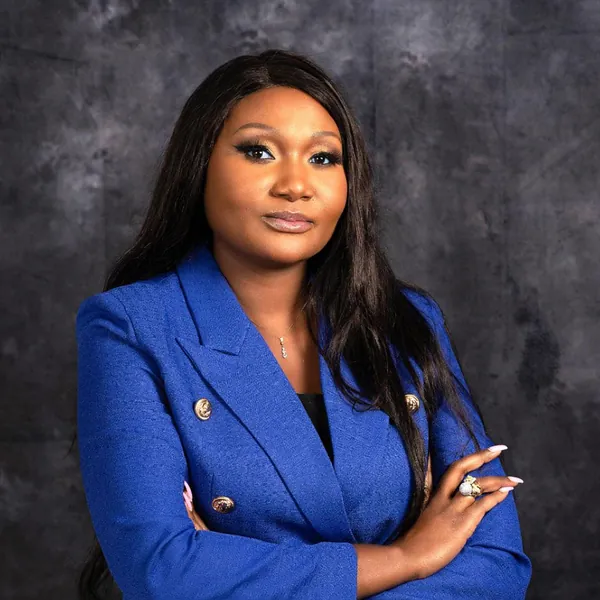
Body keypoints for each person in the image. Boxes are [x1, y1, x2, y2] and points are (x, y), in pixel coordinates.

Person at [76, 48, 532, 599]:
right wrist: (407, 557)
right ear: (199, 166)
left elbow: (494, 561)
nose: (296, 184)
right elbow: (164, 571)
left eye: (322, 158)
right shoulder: (130, 327)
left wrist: (238, 577)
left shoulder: (405, 320)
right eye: (259, 151)